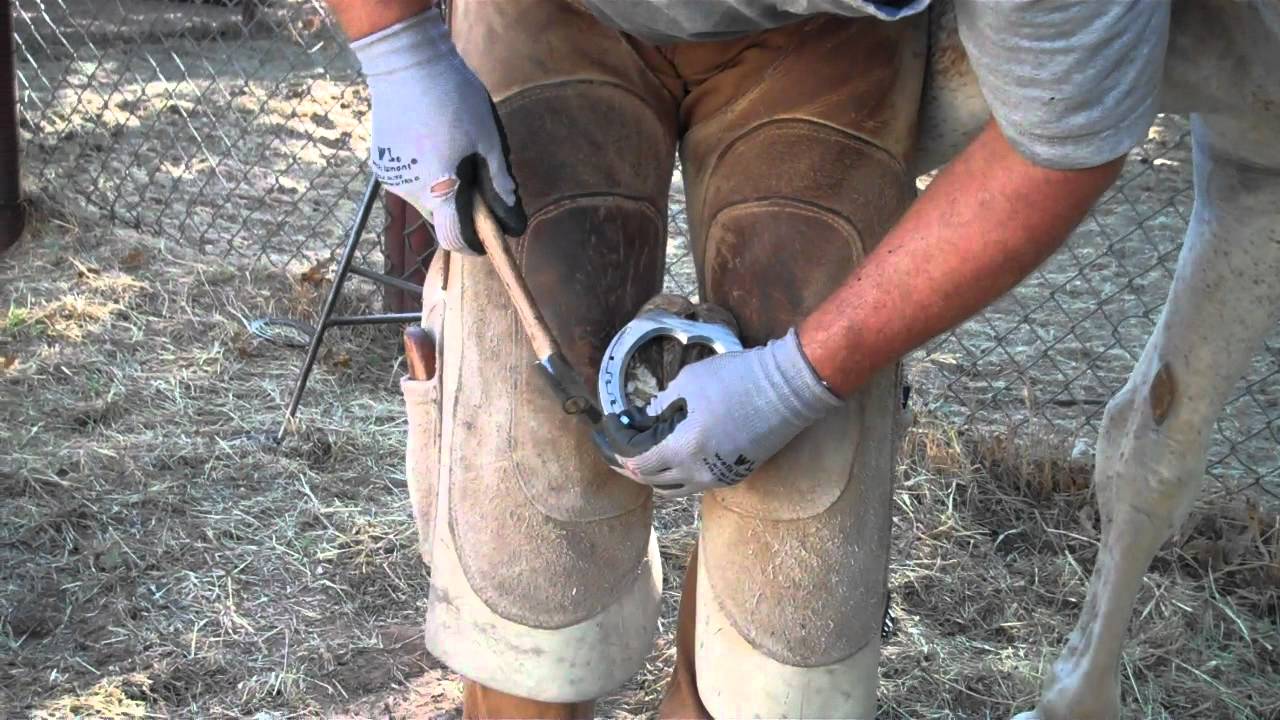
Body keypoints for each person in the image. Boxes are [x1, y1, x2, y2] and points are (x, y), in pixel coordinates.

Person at [324, 0, 1168, 717]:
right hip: (557, 15)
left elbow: (1065, 140)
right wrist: (397, 47)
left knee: (794, 588)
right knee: (528, 531)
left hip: (829, 39)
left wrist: (798, 378)